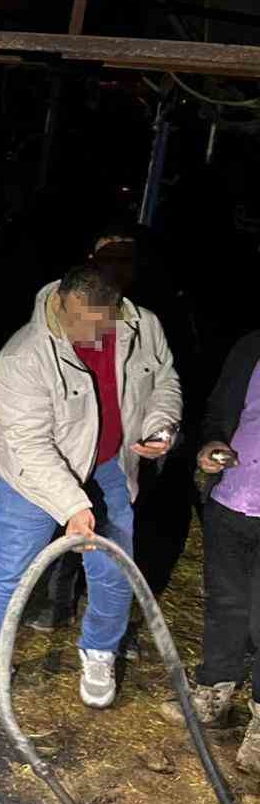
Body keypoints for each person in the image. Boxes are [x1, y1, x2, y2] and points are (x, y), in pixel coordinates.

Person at [0, 263, 181, 716]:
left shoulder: (143, 327)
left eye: (91, 323)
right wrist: (73, 506)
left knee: (113, 565)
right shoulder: (21, 357)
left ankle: (100, 650)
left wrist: (161, 425)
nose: (74, 329)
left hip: (108, 463)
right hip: (32, 475)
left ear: (116, 310)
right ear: (63, 299)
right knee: (13, 570)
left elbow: (164, 380)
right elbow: (30, 444)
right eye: (70, 316)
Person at [157, 330, 260, 773]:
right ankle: (215, 689)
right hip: (232, 499)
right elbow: (220, 411)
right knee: (225, 603)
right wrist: (211, 446)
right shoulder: (250, 345)